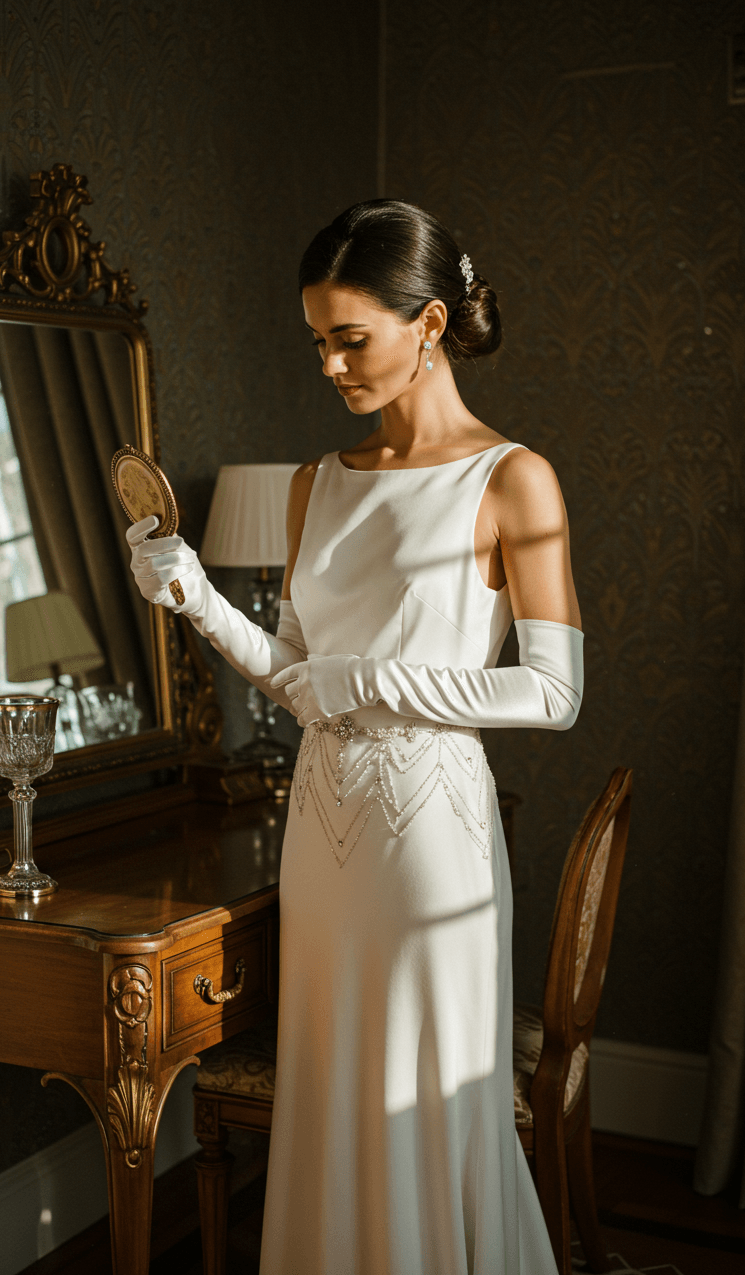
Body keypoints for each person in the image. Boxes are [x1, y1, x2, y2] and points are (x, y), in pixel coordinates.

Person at [127, 200, 583, 1274]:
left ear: (427, 324)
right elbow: (297, 677)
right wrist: (191, 592)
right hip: (322, 834)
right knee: (332, 1100)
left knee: (419, 1099)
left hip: (430, 844)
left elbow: (552, 692)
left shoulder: (512, 478)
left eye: (350, 338)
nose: (329, 364)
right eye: (315, 341)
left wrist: (369, 678)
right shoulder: (314, 484)